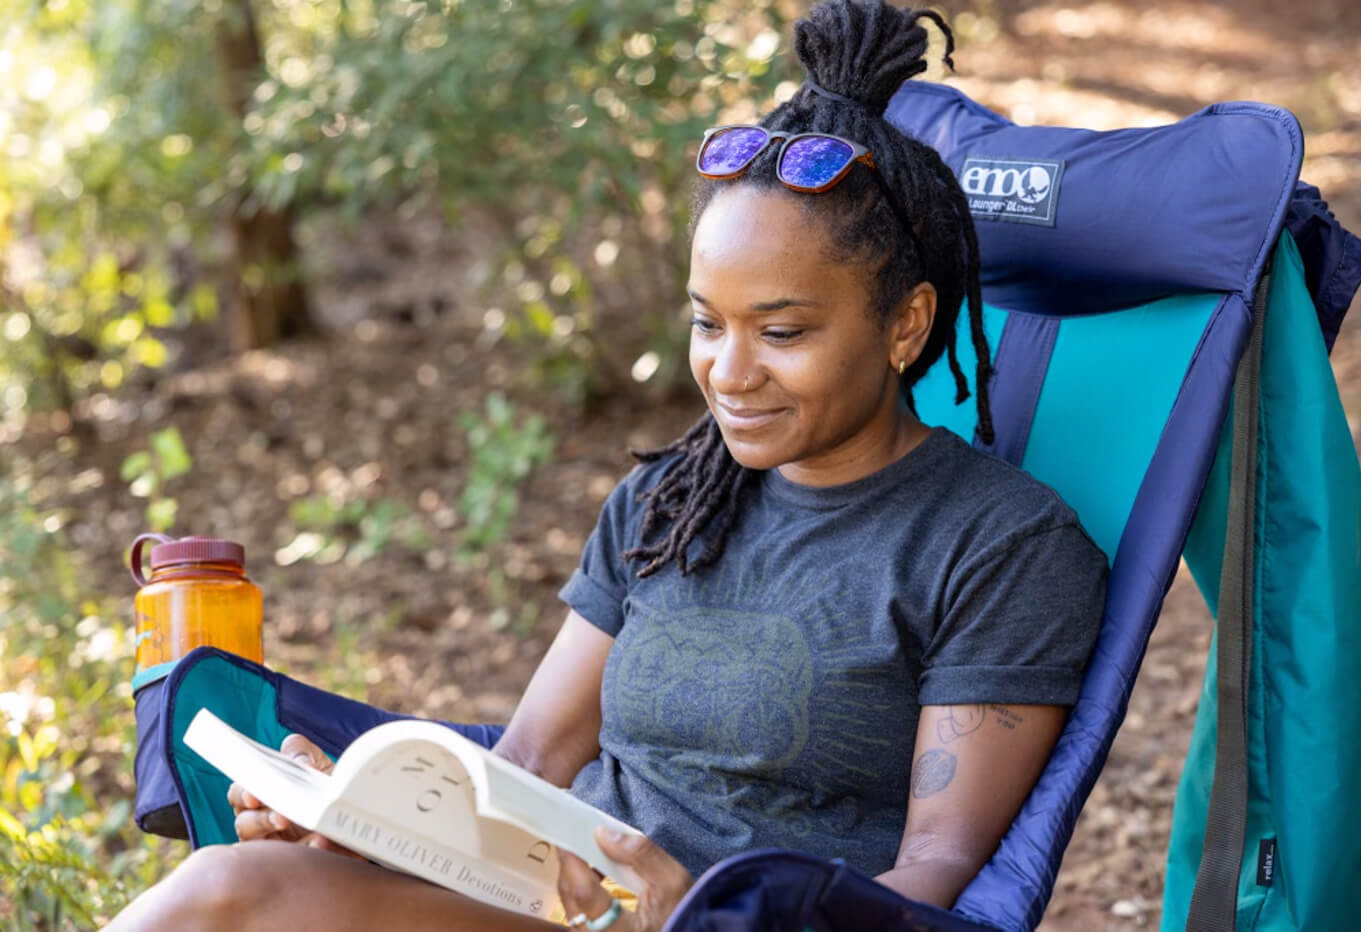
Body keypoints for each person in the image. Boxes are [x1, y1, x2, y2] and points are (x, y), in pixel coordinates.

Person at [106, 2, 1107, 929]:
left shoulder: (1001, 546)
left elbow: (934, 874)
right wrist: (357, 813)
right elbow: (535, 757)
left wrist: (702, 913)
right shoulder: (673, 498)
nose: (729, 370)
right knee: (235, 885)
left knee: (230, 897)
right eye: (705, 323)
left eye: (783, 330)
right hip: (552, 899)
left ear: (905, 324)